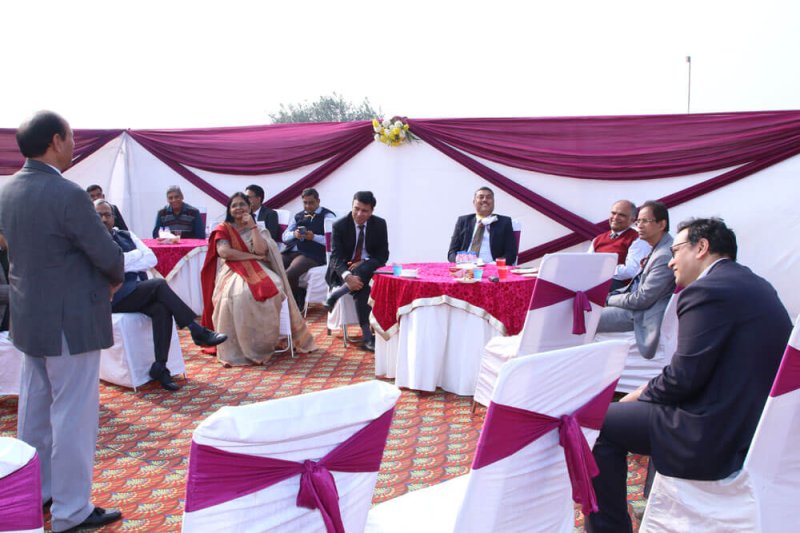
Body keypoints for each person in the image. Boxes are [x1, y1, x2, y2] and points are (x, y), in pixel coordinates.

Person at [586, 218, 792, 533]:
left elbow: (683, 378)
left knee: (595, 422)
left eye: (676, 250)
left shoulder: (706, 291)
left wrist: (638, 395)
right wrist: (648, 391)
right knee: (634, 409)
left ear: (701, 247)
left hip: (711, 432)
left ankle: (609, 528)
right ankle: (651, 500)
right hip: (753, 425)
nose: (670, 261)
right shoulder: (756, 284)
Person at [0, 111, 124, 532]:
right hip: (71, 320)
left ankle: (37, 493)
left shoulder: (6, 190)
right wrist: (112, 279)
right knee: (72, 417)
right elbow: (107, 254)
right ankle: (72, 511)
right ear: (56, 140)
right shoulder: (67, 193)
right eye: (70, 137)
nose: (73, 145)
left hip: (29, 319)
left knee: (33, 414)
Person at [95, 200, 227, 391]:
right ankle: (195, 329)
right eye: (99, 215)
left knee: (161, 309)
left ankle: (160, 367)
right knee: (158, 284)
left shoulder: (126, 234)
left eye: (107, 214)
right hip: (112, 296)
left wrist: (124, 261)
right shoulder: (92, 240)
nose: (104, 219)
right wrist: (133, 257)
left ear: (114, 217)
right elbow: (110, 265)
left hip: (134, 290)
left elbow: (151, 258)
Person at [200, 192, 316, 366]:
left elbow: (261, 251)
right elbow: (224, 253)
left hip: (260, 267)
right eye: (234, 205)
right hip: (232, 269)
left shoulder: (259, 228)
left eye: (242, 204)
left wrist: (253, 227)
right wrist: (250, 256)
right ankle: (238, 347)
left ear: (249, 207)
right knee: (236, 295)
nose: (238, 208)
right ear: (229, 210)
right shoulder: (224, 228)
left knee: (273, 288)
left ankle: (262, 343)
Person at [595, 200, 675, 359]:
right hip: (637, 304)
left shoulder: (664, 255)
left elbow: (643, 299)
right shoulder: (658, 247)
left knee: (585, 318)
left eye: (645, 221)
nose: (639, 225)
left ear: (661, 224)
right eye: (638, 221)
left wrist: (609, 298)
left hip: (642, 313)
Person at [323, 191, 389, 353]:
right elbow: (336, 258)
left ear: (371, 211)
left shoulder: (379, 224)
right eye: (356, 209)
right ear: (352, 206)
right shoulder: (340, 225)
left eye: (364, 211)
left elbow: (383, 255)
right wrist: (347, 276)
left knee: (368, 267)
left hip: (366, 267)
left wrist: (363, 262)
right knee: (363, 287)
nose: (359, 214)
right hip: (342, 270)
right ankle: (367, 337)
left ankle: (336, 295)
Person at [281, 188, 336, 309]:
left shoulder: (328, 216)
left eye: (311, 202)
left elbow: (333, 241)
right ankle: (281, 302)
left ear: (318, 201)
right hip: (292, 250)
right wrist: (294, 234)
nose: (307, 206)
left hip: (312, 254)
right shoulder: (298, 216)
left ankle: (295, 305)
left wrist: (314, 237)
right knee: (273, 265)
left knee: (289, 273)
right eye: (305, 203)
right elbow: (284, 236)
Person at [588, 200, 651, 291]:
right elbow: (587, 264)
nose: (615, 217)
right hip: (596, 281)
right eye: (613, 213)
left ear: (632, 220)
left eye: (622, 215)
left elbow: (632, 271)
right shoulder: (598, 239)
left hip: (621, 287)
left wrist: (602, 271)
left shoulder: (638, 239)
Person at [447, 186, 517, 265]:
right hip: (465, 268)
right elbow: (451, 252)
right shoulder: (463, 221)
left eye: (489, 197)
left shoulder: (504, 222)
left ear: (493, 202)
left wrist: (493, 265)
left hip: (492, 268)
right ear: (474, 202)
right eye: (481, 197)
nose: (485, 200)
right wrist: (460, 262)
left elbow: (511, 254)